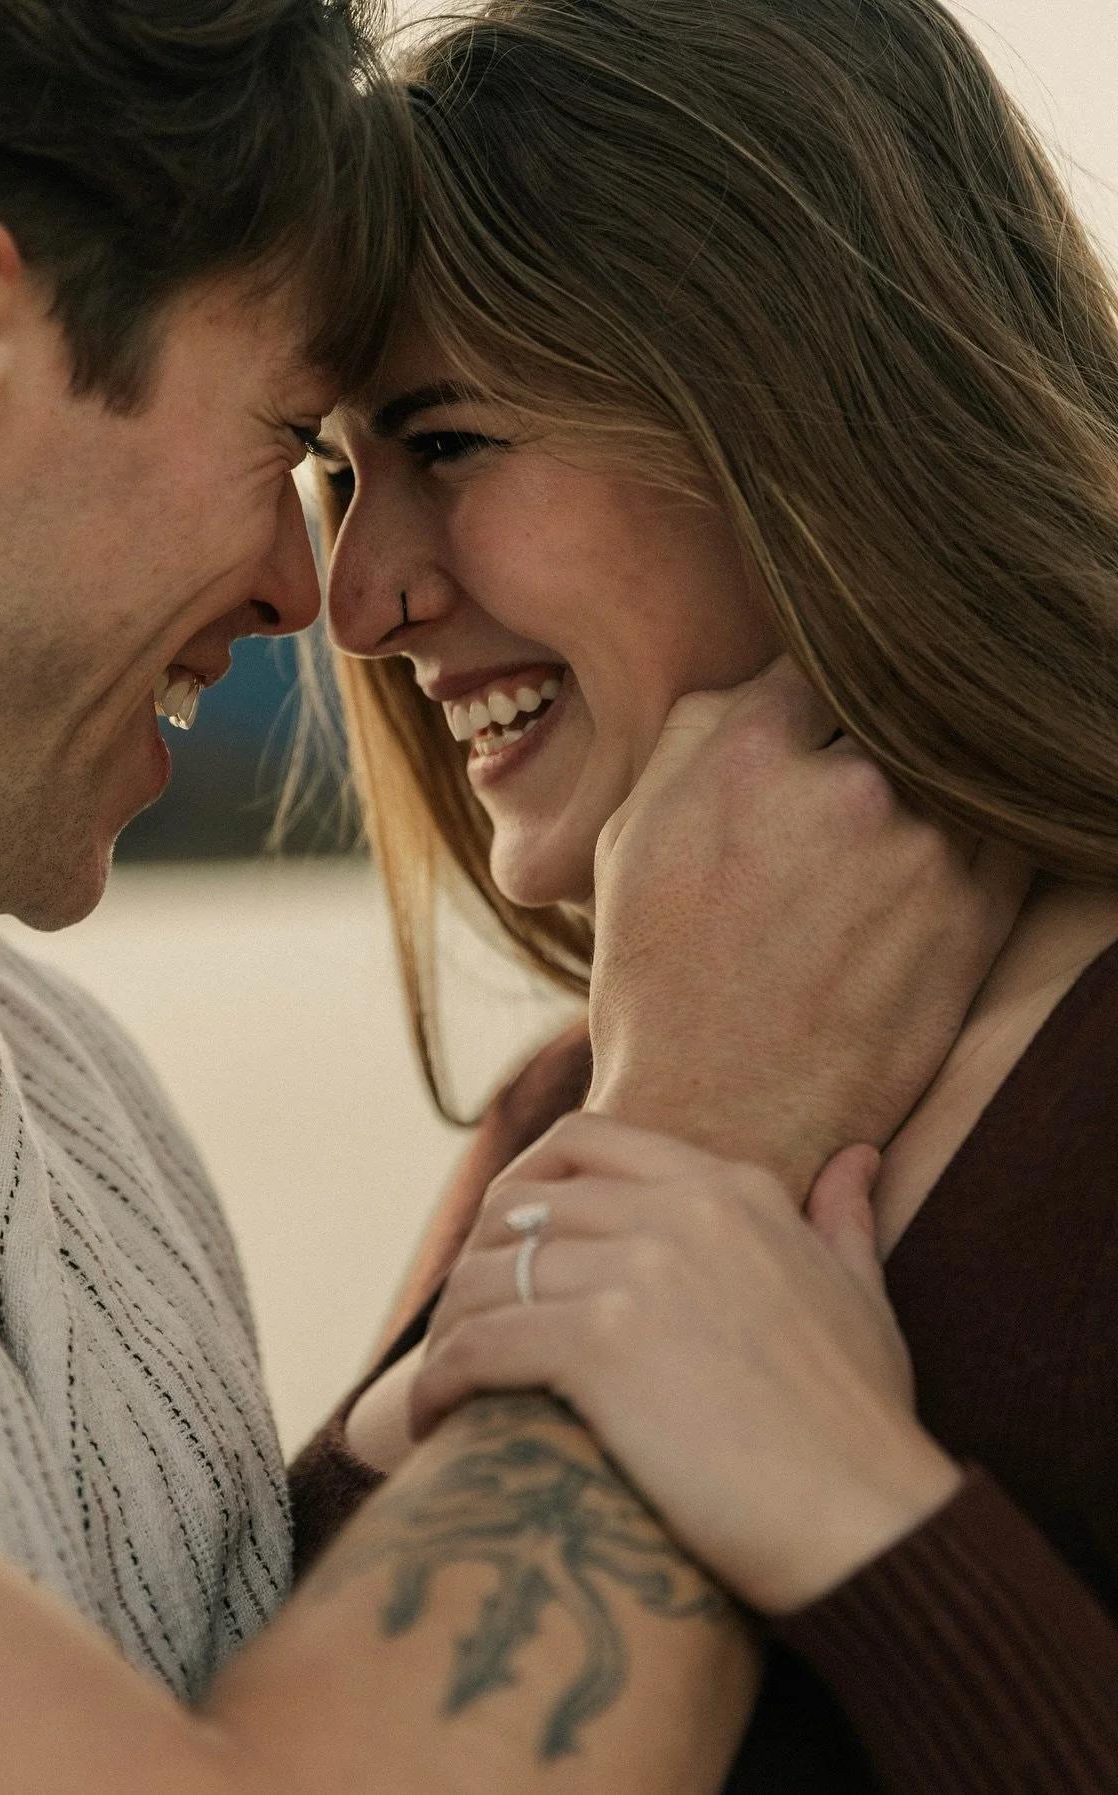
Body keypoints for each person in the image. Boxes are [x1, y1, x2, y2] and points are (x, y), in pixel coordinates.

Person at [0, 0, 1023, 1790]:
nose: (320, 599)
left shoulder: (84, 1115)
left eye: (438, 446)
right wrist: (699, 1142)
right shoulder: (629, 1102)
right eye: (294, 441)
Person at [302, 0, 1118, 1787]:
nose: (355, 597)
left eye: (444, 444)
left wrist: (859, 1519)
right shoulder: (578, 1095)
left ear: (796, 405)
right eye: (333, 474)